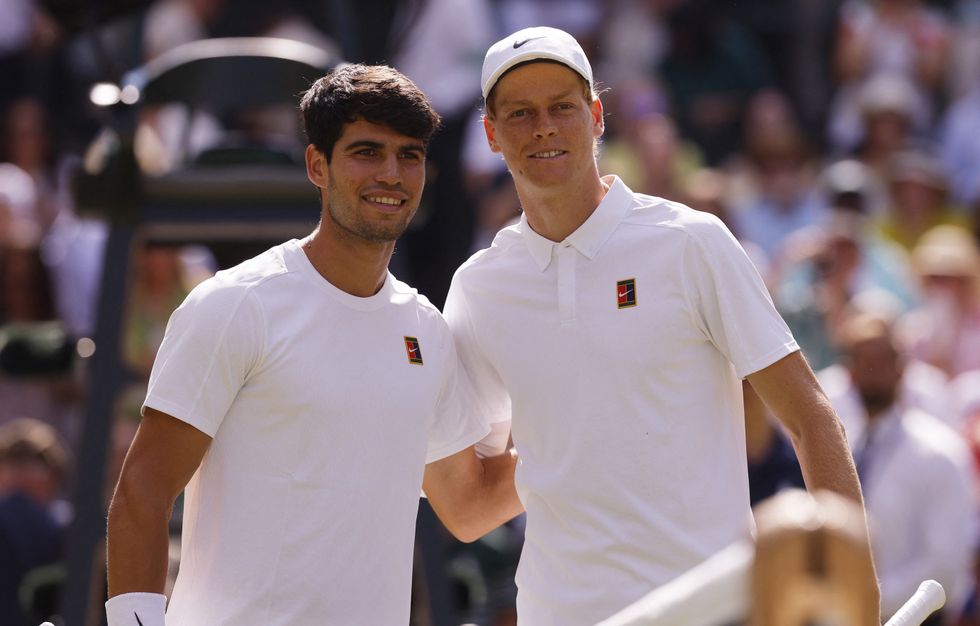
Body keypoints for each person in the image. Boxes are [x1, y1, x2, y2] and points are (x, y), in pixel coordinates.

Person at [444, 26, 880, 625]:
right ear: (491, 135)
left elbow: (809, 418)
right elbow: (469, 507)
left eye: (561, 107)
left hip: (712, 610)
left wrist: (854, 600)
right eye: (519, 113)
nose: (542, 126)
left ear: (596, 117)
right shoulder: (478, 286)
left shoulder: (692, 242)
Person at [105, 64, 523, 626]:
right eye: (367, 152)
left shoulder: (425, 330)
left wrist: (590, 435)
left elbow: (469, 507)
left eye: (409, 155)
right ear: (317, 166)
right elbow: (141, 492)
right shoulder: (236, 305)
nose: (391, 173)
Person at [830, 313, 976, 623]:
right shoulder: (840, 446)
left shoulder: (940, 453)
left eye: (881, 360)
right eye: (861, 360)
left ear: (902, 368)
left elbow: (943, 568)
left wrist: (869, 604)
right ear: (848, 371)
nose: (871, 372)